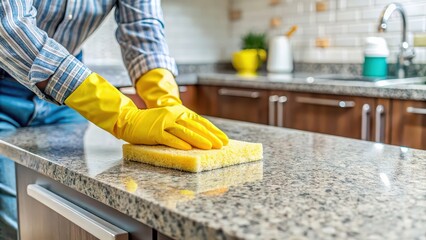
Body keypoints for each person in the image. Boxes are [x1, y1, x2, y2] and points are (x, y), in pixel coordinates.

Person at [0, 0, 229, 236]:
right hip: (12, 85)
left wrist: (167, 101)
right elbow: (8, 27)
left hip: (65, 97)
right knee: (13, 214)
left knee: (68, 201)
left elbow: (143, 26)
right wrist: (124, 116)